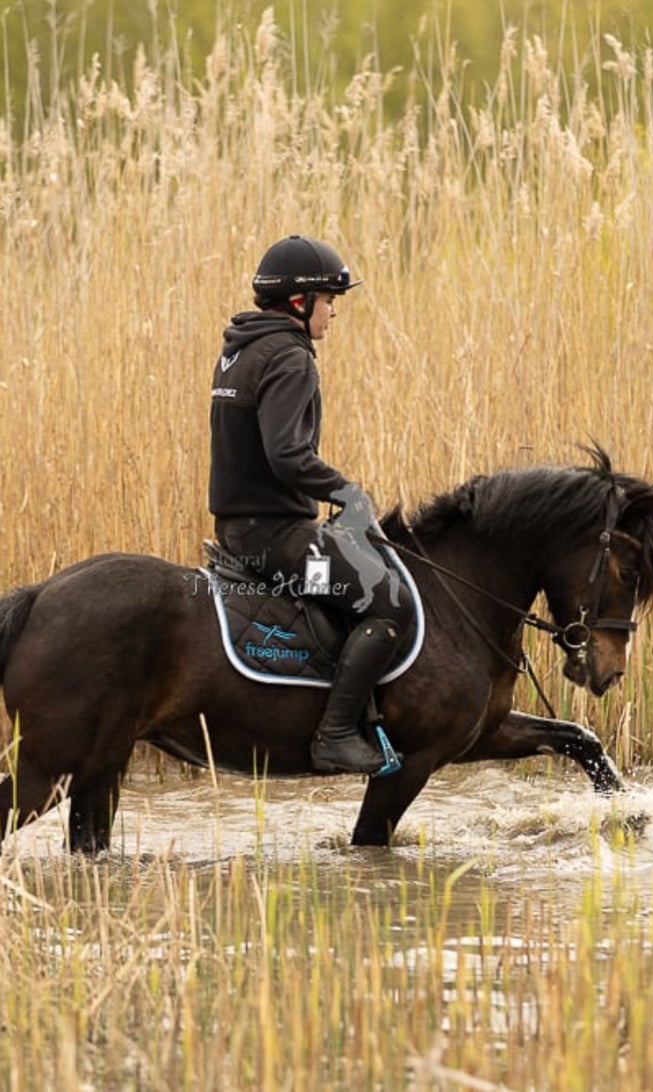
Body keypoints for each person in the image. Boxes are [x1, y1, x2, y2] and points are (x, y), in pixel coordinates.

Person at [209, 234, 413, 775]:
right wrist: (348, 492)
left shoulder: (241, 349)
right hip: (279, 539)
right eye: (328, 300)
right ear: (299, 302)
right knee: (387, 599)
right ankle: (337, 733)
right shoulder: (291, 357)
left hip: (238, 528)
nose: (332, 312)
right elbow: (288, 455)